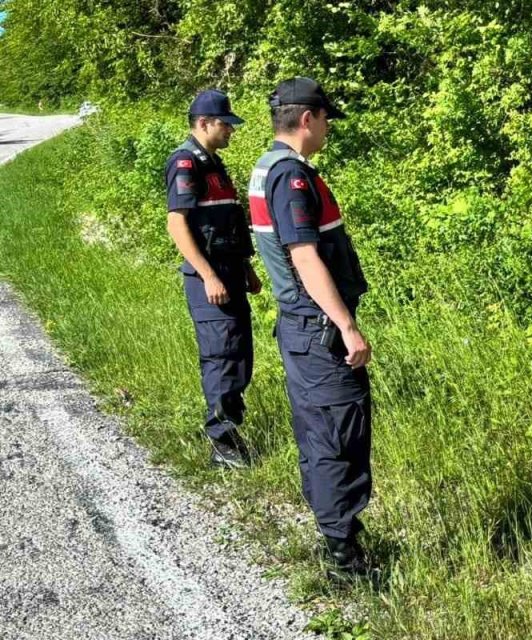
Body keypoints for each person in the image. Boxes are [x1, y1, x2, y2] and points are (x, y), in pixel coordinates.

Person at [247, 77, 373, 577]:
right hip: (317, 327)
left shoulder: (266, 168)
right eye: (324, 120)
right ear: (307, 119)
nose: (326, 129)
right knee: (336, 435)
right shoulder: (290, 177)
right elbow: (303, 254)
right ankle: (345, 557)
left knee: (323, 432)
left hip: (303, 327)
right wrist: (345, 325)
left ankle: (340, 539)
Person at [164, 89, 261, 470]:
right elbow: (177, 223)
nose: (231, 131)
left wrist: (246, 267)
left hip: (230, 273)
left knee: (239, 355)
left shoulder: (214, 165)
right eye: (226, 124)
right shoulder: (186, 163)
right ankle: (221, 442)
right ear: (203, 123)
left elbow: (228, 223)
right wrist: (207, 275)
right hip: (210, 280)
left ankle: (231, 433)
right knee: (222, 356)